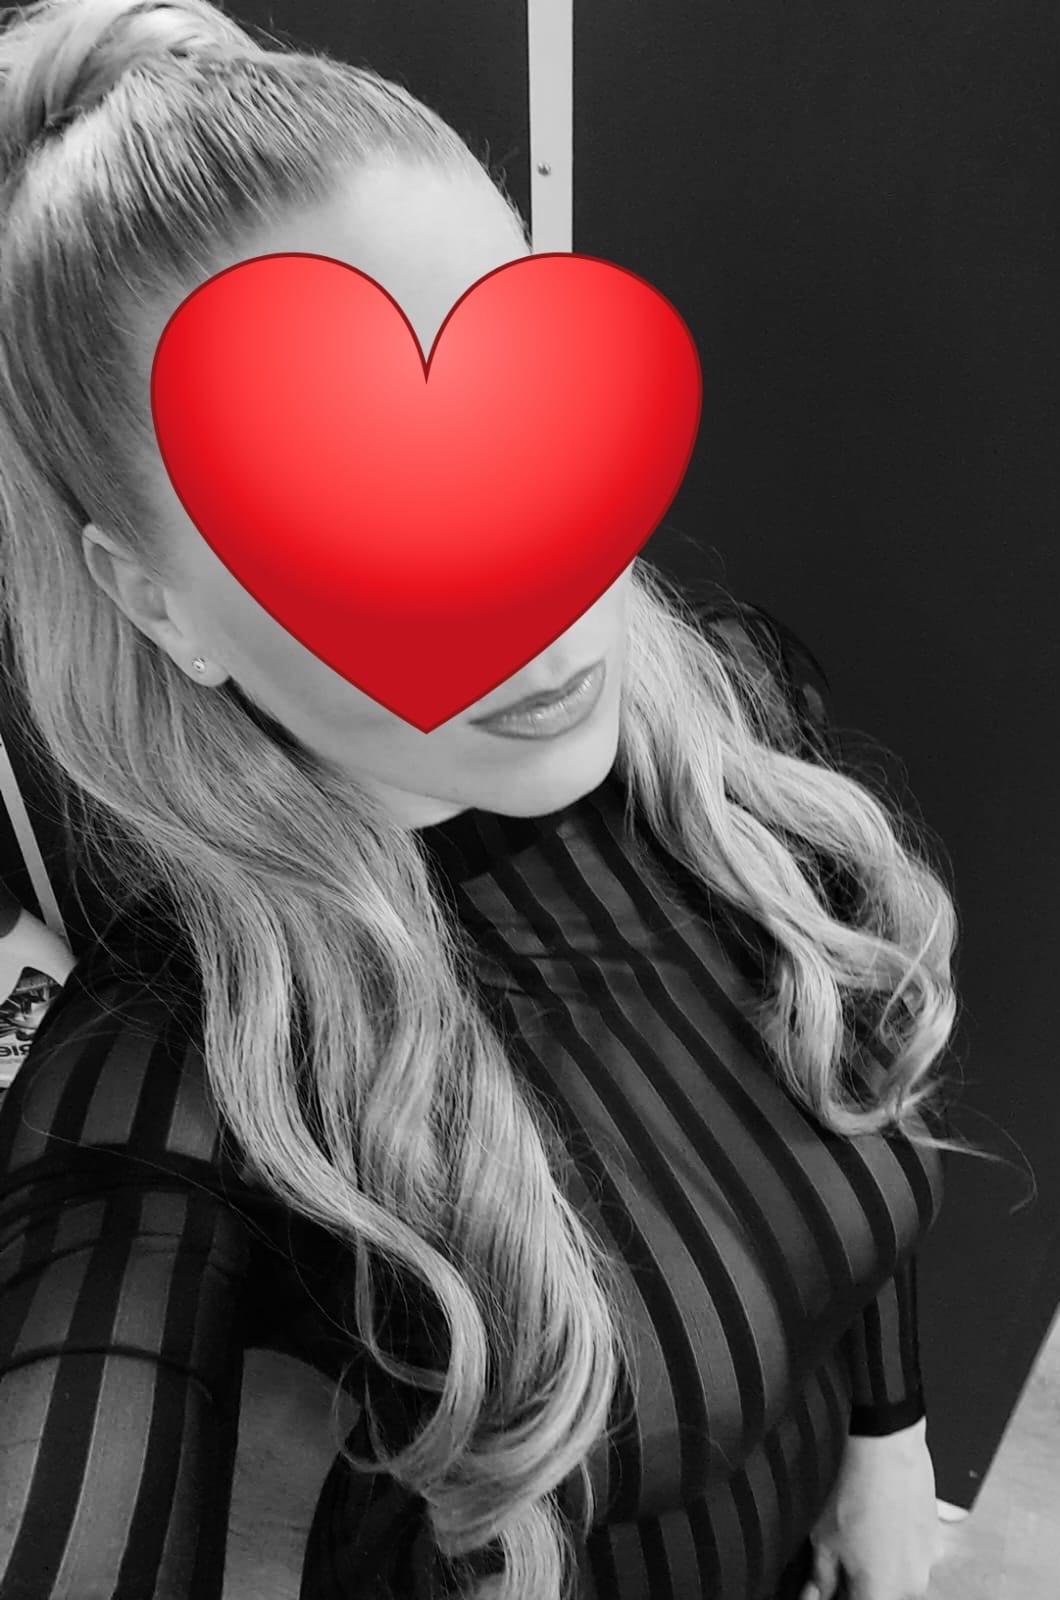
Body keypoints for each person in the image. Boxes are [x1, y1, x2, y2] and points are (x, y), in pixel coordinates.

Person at [0, 2, 998, 1598]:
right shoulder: (178, 1074)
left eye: (524, 415)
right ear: (160, 605)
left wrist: (887, 1443)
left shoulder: (719, 719)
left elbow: (844, 1099)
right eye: (349, 510)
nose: (546, 610)